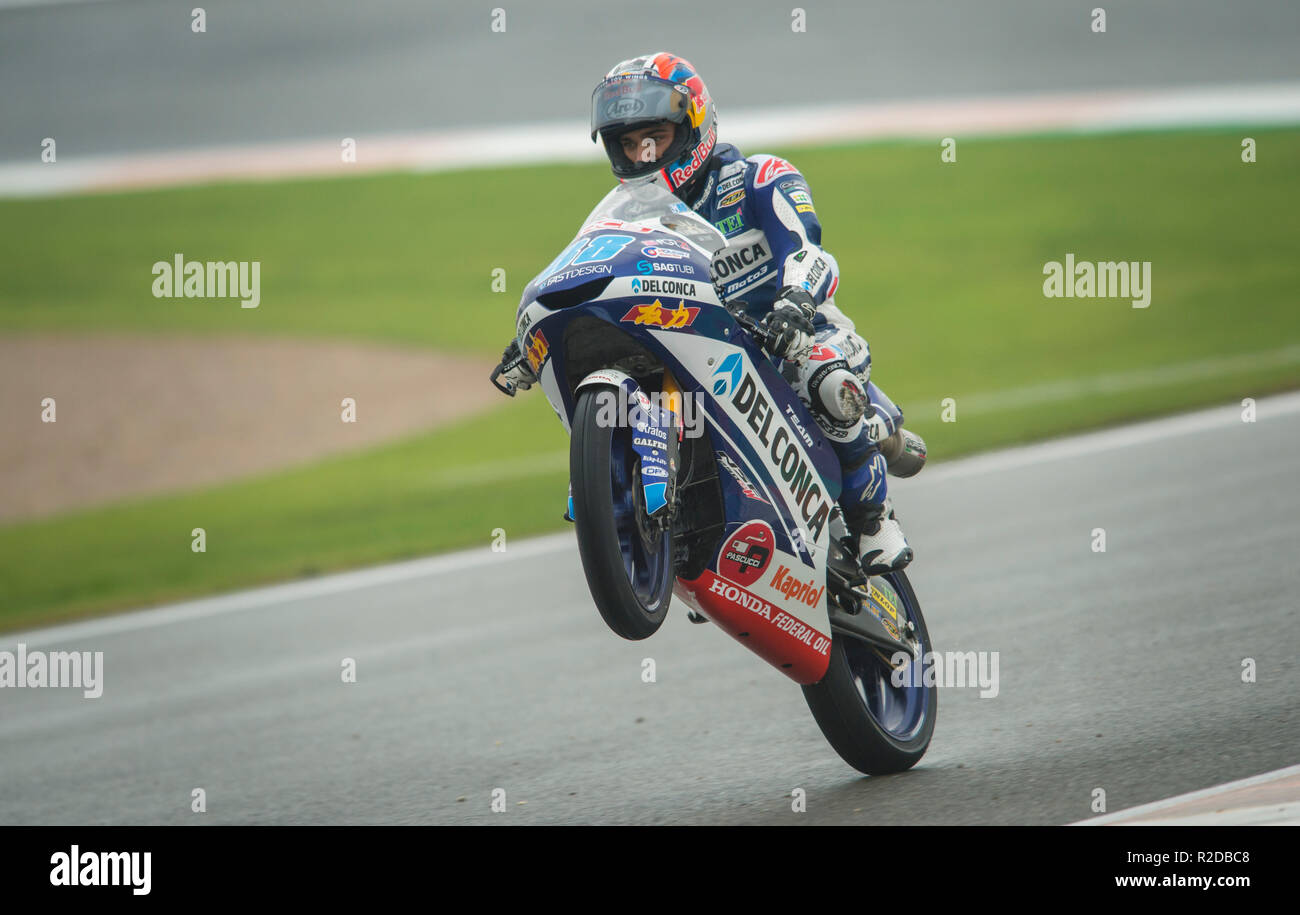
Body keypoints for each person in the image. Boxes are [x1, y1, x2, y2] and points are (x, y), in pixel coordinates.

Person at [499, 52, 913, 576]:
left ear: (694, 125)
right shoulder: (620, 211)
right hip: (704, 347)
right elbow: (583, 271)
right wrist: (529, 342)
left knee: (823, 374)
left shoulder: (760, 176)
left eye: (653, 138)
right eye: (628, 143)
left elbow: (811, 253)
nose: (641, 154)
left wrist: (795, 303)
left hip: (795, 334)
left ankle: (874, 519)